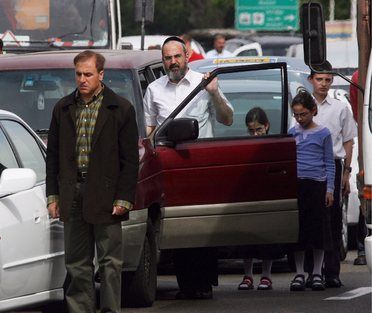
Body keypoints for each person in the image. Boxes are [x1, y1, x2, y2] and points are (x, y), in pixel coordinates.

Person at [46, 50, 139, 313]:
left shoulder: (120, 108)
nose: (82, 79)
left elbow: (130, 161)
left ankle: (110, 309)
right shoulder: (63, 108)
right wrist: (53, 196)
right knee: (76, 263)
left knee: (110, 262)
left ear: (101, 74)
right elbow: (52, 155)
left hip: (106, 194)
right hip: (71, 192)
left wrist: (124, 199)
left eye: (88, 74)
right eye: (78, 74)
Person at [143, 36, 233, 300]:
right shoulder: (154, 89)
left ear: (186, 56)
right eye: (167, 58)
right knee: (180, 225)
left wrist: (214, 92)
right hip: (169, 165)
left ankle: (204, 283)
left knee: (203, 224)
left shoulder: (203, 83)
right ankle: (186, 285)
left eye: (177, 57)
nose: (173, 62)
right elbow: (149, 131)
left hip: (201, 163)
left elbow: (227, 119)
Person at [307, 61, 357, 288]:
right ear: (311, 80)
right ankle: (310, 271)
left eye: (328, 80)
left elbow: (348, 141)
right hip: (308, 167)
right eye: (319, 79)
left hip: (334, 167)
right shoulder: (301, 107)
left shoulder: (340, 107)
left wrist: (346, 173)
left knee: (333, 219)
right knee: (310, 219)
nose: (324, 84)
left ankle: (332, 272)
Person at [288, 91, 335, 291]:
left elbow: (329, 163)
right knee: (299, 231)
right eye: (297, 115)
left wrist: (330, 189)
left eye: (304, 114)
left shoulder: (324, 133)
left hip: (317, 184)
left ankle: (317, 272)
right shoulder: (292, 133)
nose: (300, 118)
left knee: (318, 231)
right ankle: (299, 272)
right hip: (298, 184)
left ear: (313, 111)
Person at [237, 107, 279, 291]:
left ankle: (266, 275)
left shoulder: (273, 143)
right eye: (251, 130)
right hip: (248, 194)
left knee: (266, 237)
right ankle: (248, 274)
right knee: (246, 237)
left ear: (267, 126)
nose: (255, 134)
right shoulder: (243, 144)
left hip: (267, 193)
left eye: (259, 130)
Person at [349, 69, 368, 266]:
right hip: (368, 146)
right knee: (365, 198)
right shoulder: (358, 77)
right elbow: (359, 115)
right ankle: (362, 247)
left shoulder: (359, 76)